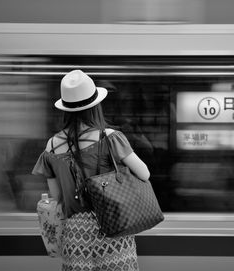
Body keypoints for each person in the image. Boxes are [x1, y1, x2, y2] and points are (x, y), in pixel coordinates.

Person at [32, 70, 150, 271]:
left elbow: (57, 196)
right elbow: (144, 174)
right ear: (95, 106)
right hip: (114, 228)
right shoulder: (110, 137)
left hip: (76, 234)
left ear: (65, 109)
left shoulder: (51, 146)